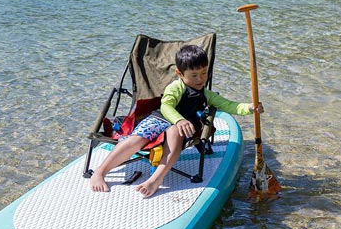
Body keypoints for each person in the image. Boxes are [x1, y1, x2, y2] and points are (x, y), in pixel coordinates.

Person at [90, 44, 262, 197]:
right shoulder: (176, 87)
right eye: (194, 75)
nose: (200, 79)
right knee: (136, 139)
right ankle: (100, 172)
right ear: (180, 73)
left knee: (174, 133)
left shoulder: (206, 94)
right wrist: (179, 120)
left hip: (179, 128)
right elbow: (166, 106)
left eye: (204, 73)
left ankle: (156, 179)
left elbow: (229, 105)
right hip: (160, 118)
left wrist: (250, 107)